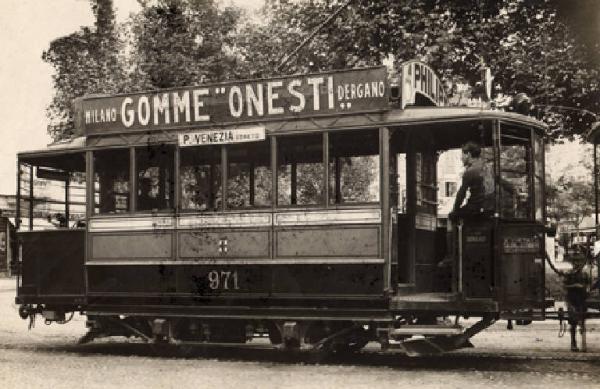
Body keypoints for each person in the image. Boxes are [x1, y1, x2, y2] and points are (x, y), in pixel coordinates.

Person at [563, 252, 590, 352]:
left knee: (582, 322)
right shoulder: (569, 274)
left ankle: (584, 343)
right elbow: (564, 287)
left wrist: (586, 290)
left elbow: (588, 285)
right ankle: (573, 343)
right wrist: (575, 286)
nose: (577, 263)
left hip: (582, 300)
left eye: (579, 261)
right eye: (575, 261)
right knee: (573, 322)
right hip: (572, 299)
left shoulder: (585, 274)